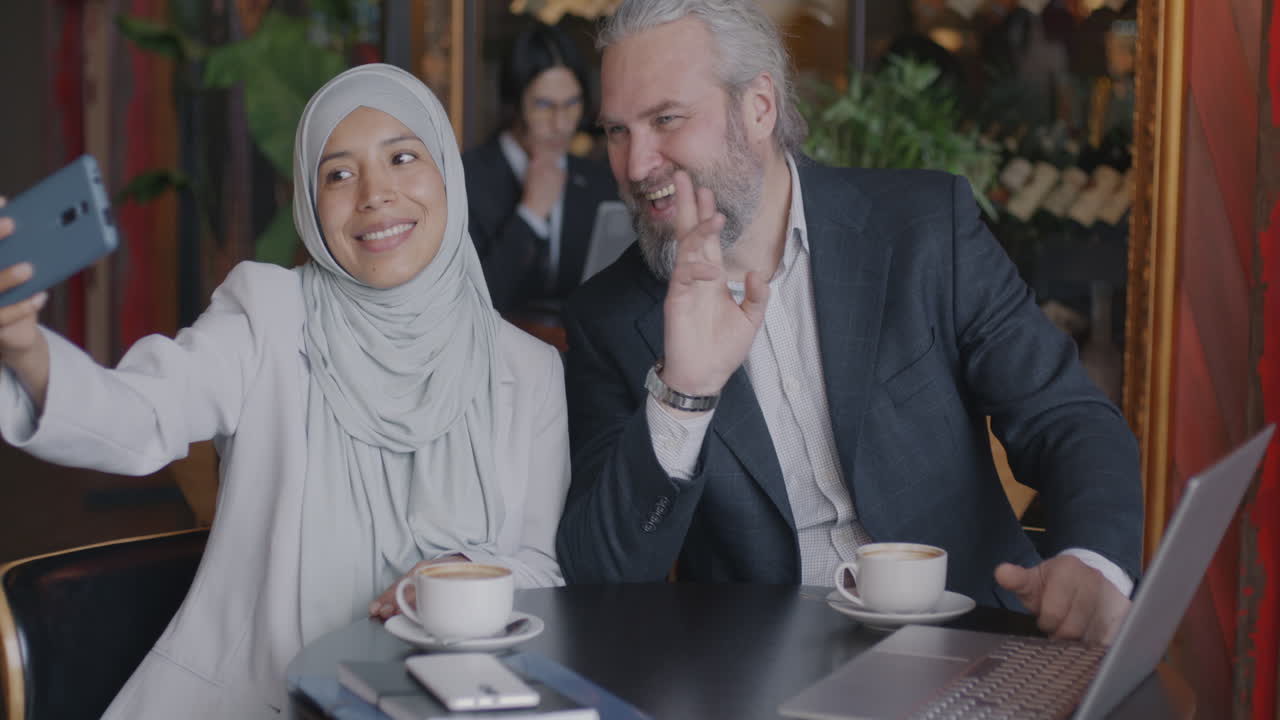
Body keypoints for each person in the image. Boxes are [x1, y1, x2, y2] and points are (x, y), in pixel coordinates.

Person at [555, 0, 1142, 647]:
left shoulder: (922, 230)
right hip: (761, 680)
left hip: (974, 646)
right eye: (616, 131)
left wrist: (1091, 561)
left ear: (759, 109)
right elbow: (601, 576)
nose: (636, 166)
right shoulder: (608, 317)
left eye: (666, 119)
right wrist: (683, 393)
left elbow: (1068, 417)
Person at [0, 64, 569, 719]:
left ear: (446, 172)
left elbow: (540, 570)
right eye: (338, 173)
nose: (375, 194)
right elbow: (140, 416)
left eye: (403, 158)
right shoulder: (266, 316)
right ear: (309, 200)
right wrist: (26, 350)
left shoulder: (528, 369)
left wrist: (461, 570)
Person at [463, 21, 618, 313]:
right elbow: (473, 302)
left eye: (572, 104)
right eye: (545, 106)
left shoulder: (598, 181)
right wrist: (530, 215)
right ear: (514, 103)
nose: (561, 124)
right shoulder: (466, 179)